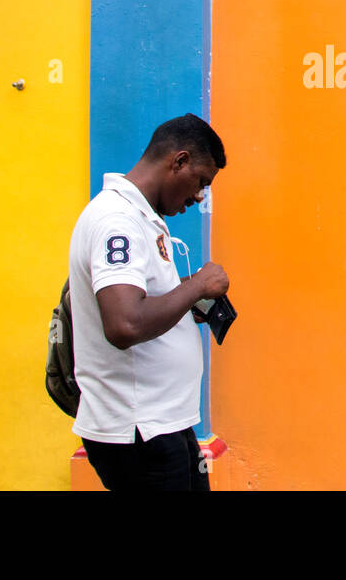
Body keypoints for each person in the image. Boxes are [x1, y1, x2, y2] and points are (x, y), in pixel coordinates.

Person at [69, 113, 229, 491]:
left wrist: (186, 290)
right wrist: (199, 286)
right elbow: (125, 324)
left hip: (163, 423)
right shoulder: (117, 220)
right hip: (138, 432)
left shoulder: (143, 217)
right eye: (200, 182)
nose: (199, 195)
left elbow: (144, 303)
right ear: (179, 161)